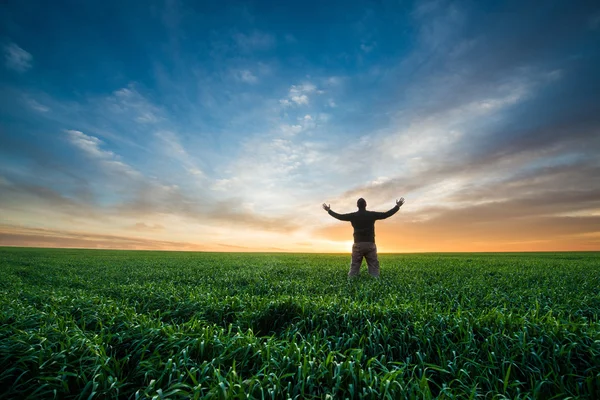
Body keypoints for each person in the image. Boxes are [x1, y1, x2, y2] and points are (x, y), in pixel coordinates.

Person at [322, 197, 405, 277]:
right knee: (374, 267)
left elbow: (340, 217)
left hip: (357, 244)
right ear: (366, 205)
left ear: (357, 205)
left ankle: (351, 283)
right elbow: (386, 214)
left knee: (354, 267)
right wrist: (397, 206)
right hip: (370, 244)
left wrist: (329, 210)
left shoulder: (353, 216)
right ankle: (375, 282)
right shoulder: (371, 215)